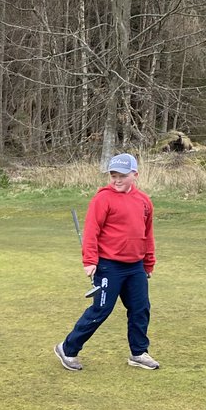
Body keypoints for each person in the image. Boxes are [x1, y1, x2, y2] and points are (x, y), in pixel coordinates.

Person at [54, 153, 159, 372]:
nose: (117, 180)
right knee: (101, 310)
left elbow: (147, 234)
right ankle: (67, 348)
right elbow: (92, 231)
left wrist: (148, 263)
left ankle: (138, 353)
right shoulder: (103, 198)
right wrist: (90, 260)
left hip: (136, 267)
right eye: (113, 175)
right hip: (108, 266)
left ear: (135, 175)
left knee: (141, 309)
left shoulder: (144, 201)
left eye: (122, 175)